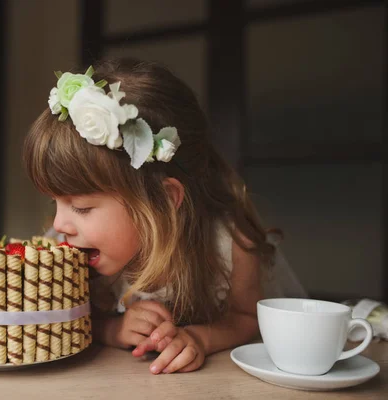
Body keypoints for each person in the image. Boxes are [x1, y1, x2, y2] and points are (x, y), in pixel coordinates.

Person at [24, 59, 306, 374]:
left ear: (165, 199)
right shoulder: (64, 250)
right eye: (54, 204)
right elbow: (43, 317)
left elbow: (246, 317)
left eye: (82, 207)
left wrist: (200, 338)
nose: (59, 225)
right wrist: (110, 329)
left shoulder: (231, 245)